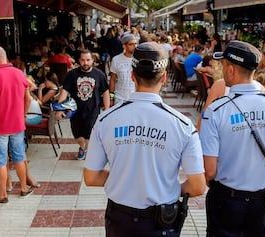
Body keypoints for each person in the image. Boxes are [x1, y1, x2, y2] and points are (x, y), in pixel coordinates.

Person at [83, 41, 206, 236]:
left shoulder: (106, 119)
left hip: (119, 219)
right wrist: (168, 187)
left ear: (132, 76)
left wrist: (125, 179)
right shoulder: (183, 125)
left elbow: (91, 177)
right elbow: (198, 186)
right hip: (161, 221)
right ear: (164, 77)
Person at [199, 40, 265, 236]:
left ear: (231, 70)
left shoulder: (216, 111)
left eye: (222, 66)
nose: (221, 71)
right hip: (263, 201)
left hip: (226, 201)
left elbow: (209, 170)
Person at [0, 46, 34, 203]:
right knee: (19, 156)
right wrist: (22, 114)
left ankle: (2, 194)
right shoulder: (19, 73)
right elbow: (28, 99)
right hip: (17, 124)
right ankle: (24, 188)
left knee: (1, 161)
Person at [55, 49, 110, 160]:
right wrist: (60, 109)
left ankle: (90, 157)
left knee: (90, 135)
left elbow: (105, 93)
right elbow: (64, 92)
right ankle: (82, 147)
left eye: (88, 60)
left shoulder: (99, 74)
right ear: (79, 60)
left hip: (93, 110)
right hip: (75, 110)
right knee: (78, 136)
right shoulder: (72, 75)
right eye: (83, 60)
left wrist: (107, 111)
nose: (85, 63)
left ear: (92, 60)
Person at [109, 34, 137, 105]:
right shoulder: (116, 60)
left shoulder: (139, 59)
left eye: (135, 44)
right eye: (131, 44)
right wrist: (111, 98)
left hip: (135, 99)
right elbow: (112, 79)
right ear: (124, 46)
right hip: (120, 99)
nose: (135, 46)